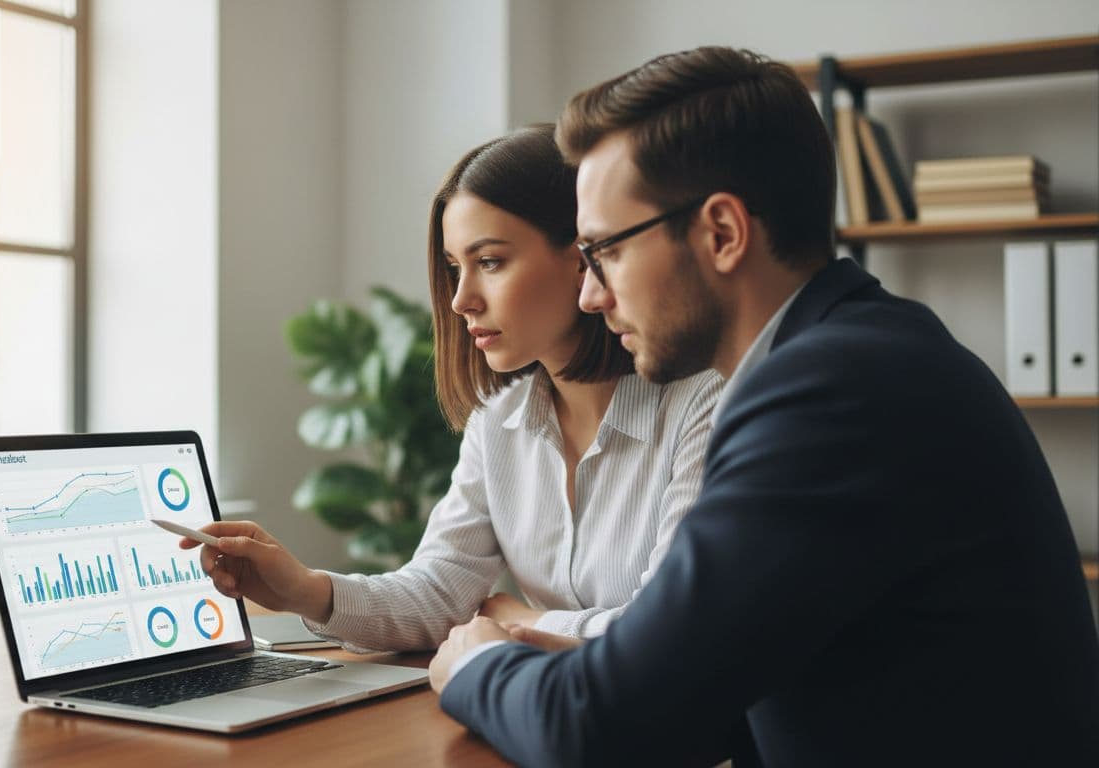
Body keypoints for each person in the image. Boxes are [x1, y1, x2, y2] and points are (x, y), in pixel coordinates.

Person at [429, 47, 1099, 767]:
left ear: (722, 233)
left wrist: (474, 665)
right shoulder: (856, 353)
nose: (591, 294)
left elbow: (600, 730)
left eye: (605, 253)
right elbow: (712, 682)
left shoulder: (830, 394)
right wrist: (605, 663)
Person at [180, 125, 722, 652]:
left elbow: (669, 631)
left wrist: (524, 620)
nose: (461, 299)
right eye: (453, 267)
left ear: (583, 257)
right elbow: (440, 590)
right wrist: (305, 589)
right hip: (554, 715)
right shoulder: (500, 421)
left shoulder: (702, 404)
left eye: (490, 262)